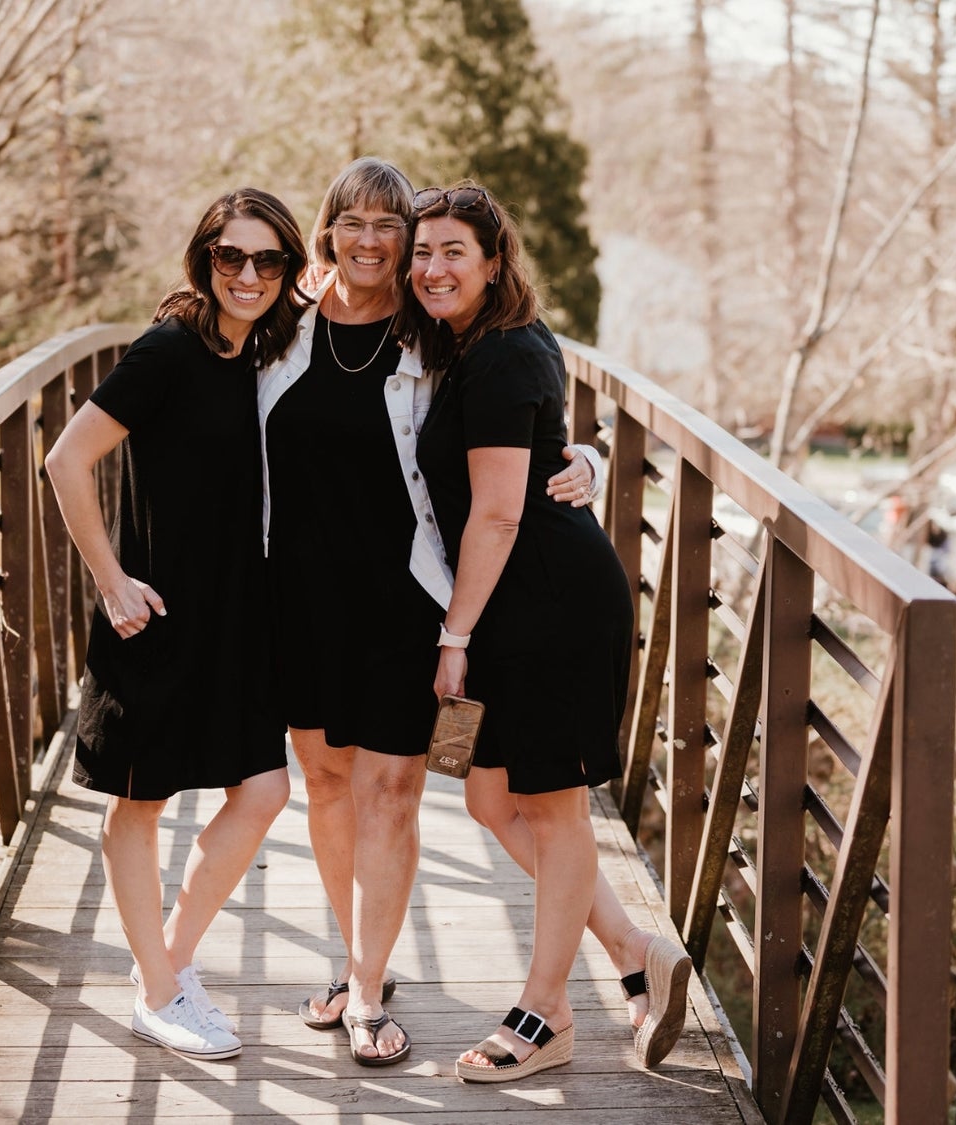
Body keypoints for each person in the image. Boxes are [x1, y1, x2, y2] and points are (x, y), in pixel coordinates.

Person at [258, 157, 606, 1067]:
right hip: (298, 599)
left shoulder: (437, 335)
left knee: (393, 791)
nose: (375, 243)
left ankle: (369, 990)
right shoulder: (278, 330)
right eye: (354, 223)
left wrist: (590, 459)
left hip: (410, 599)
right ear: (326, 230)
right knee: (326, 787)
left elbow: (532, 395)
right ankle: (354, 958)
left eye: (393, 228)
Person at [406, 180, 684, 1083]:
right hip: (502, 612)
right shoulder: (470, 345)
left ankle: (547, 1011)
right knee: (487, 797)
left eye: (454, 251)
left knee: (557, 812)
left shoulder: (502, 355)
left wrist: (453, 637)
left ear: (495, 262)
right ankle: (637, 951)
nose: (433, 267)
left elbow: (494, 516)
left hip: (550, 608)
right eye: (423, 251)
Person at [44, 188, 305, 1061]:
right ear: (205, 258)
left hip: (239, 615)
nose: (249, 275)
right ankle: (160, 990)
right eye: (232, 257)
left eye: (268, 261)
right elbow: (65, 458)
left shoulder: (263, 349)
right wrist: (111, 580)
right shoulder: (166, 350)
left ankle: (167, 963)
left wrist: (575, 451)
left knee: (265, 788)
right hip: (150, 615)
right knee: (141, 799)